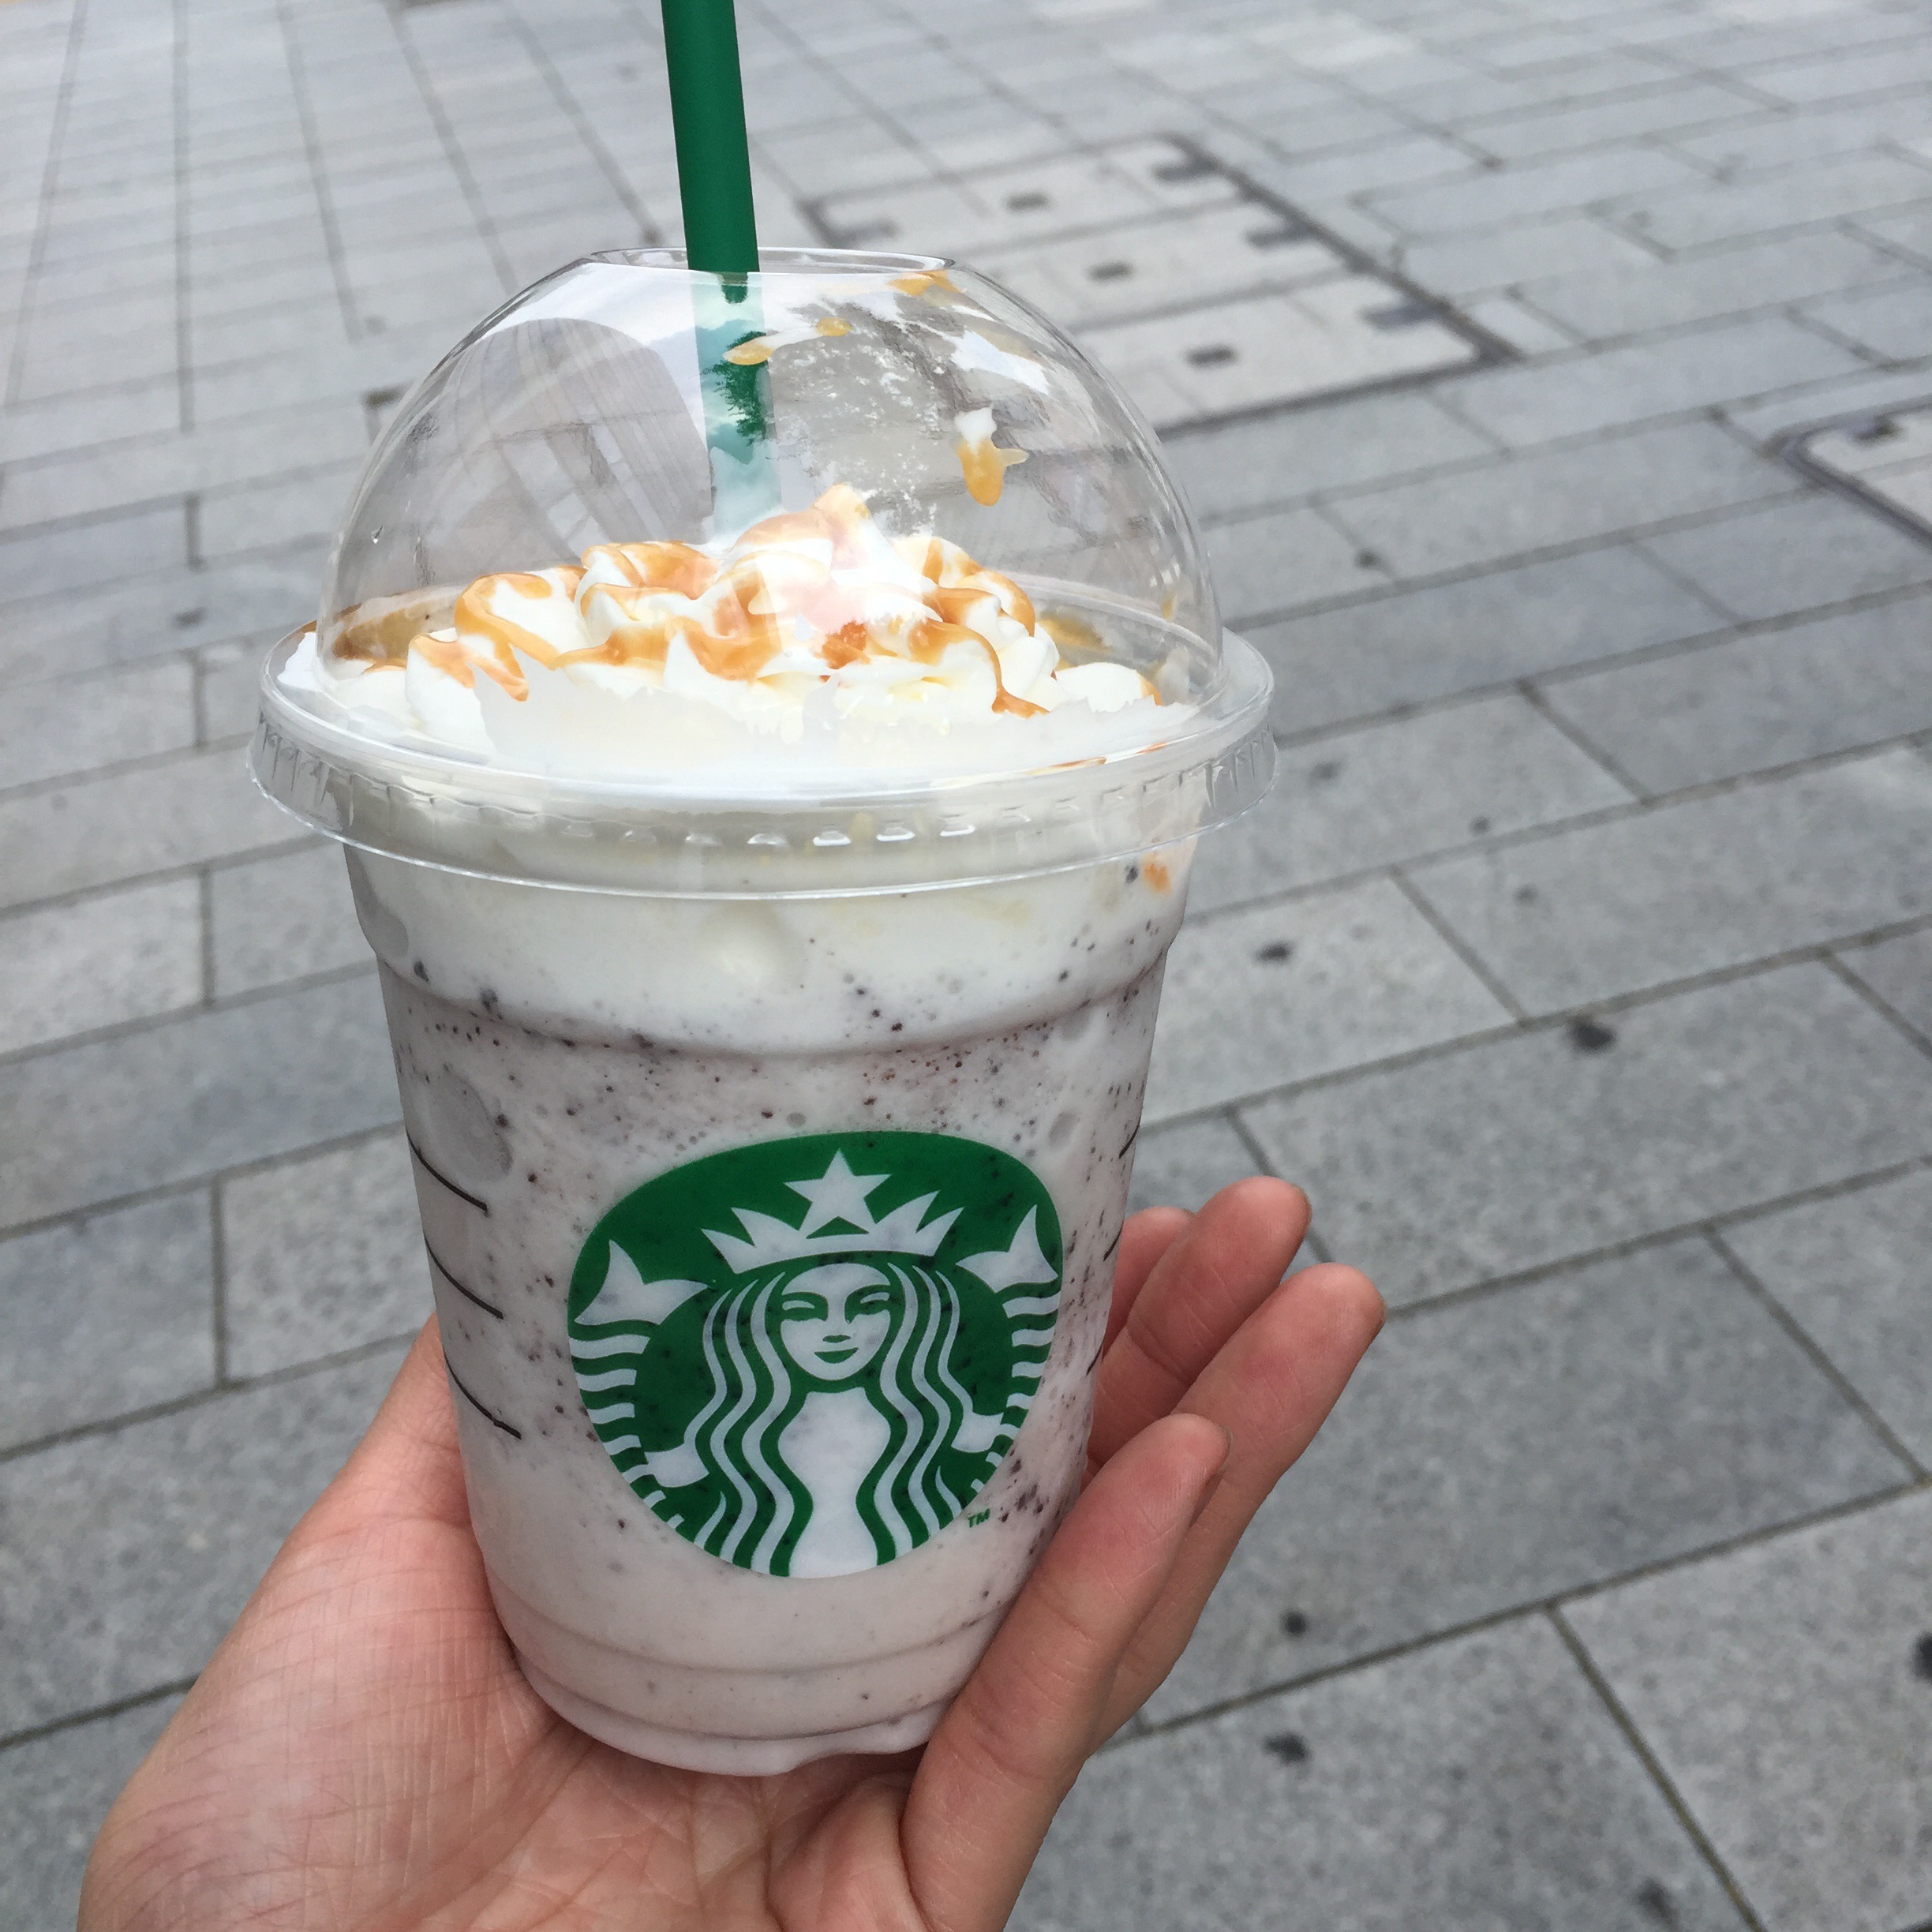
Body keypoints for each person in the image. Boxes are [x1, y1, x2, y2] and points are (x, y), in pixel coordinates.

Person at [80, 1179, 1381, 1931]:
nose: (836, 1327)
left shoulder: (918, 1432)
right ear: (751, 1322)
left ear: (914, 1312)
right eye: (802, 1301)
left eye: (868, 1299)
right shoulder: (730, 1451)